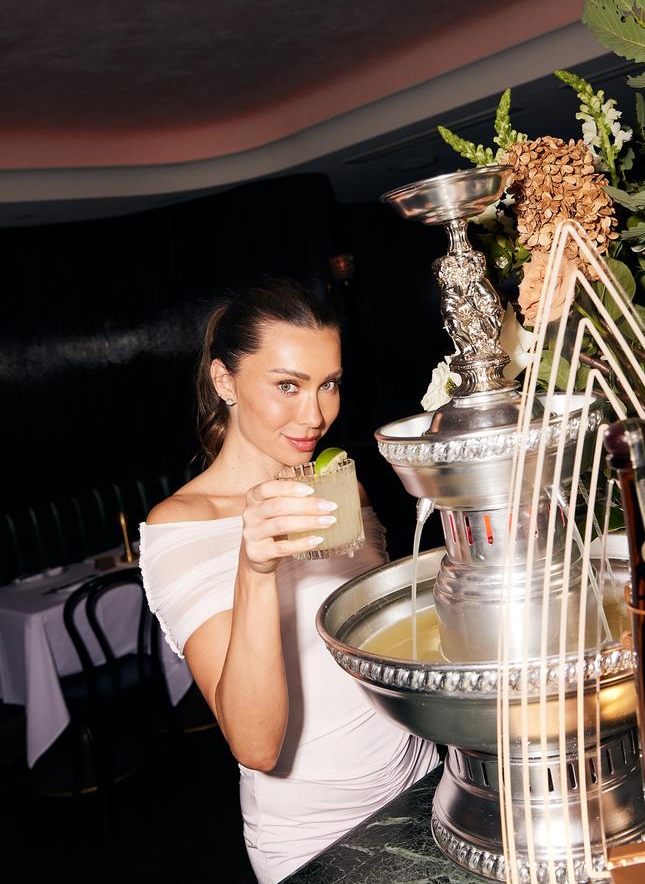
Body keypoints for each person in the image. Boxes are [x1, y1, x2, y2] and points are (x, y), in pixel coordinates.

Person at [139, 278, 438, 883]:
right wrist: (255, 569)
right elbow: (255, 744)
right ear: (226, 382)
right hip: (316, 836)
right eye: (287, 385)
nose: (316, 414)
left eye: (328, 383)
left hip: (425, 784)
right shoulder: (181, 526)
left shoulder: (343, 486)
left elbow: (390, 638)